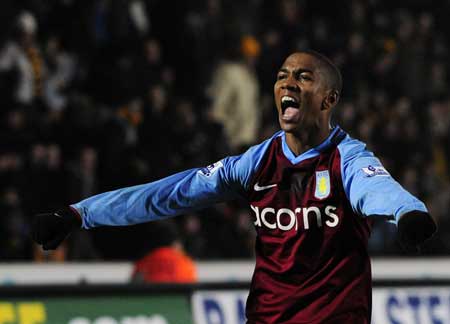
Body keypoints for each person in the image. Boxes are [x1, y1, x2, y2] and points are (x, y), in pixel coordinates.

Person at [32, 50, 437, 323]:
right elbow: (168, 194)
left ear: (328, 100)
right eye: (282, 77)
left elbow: (376, 189)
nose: (288, 84)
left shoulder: (347, 158)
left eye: (303, 78)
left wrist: (406, 213)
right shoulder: (255, 163)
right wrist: (80, 213)